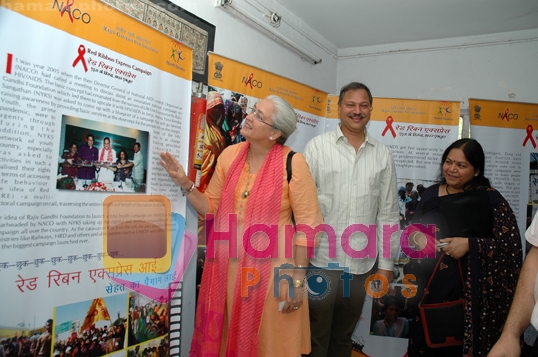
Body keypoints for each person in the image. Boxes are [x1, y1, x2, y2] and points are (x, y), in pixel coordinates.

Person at [160, 95, 323, 356]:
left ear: (275, 134)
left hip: (273, 276)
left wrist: (297, 281)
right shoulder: (230, 155)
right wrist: (186, 184)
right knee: (228, 340)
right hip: (227, 271)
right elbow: (211, 206)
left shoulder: (294, 163)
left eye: (260, 116)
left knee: (270, 343)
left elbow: (308, 227)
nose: (249, 116)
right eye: (253, 110)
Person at [303, 82, 399, 357]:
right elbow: (303, 206)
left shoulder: (382, 154)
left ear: (370, 109)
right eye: (351, 105)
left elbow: (389, 213)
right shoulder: (317, 148)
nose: (357, 111)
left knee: (345, 335)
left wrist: (386, 266)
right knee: (315, 334)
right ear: (339, 108)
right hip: (321, 259)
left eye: (363, 105)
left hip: (361, 264)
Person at [407, 138, 522, 356]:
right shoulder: (431, 194)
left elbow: (511, 249)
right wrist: (416, 239)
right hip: (428, 291)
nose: (452, 169)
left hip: (471, 303)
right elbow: (410, 235)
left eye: (461, 165)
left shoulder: (491, 200)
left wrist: (470, 245)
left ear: (477, 170)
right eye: (448, 162)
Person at [488, 212, 538, 357]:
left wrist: (469, 245)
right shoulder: (430, 199)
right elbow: (536, 257)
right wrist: (511, 333)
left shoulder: (493, 202)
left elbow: (506, 245)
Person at [199, 91, 227, 192]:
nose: (217, 111)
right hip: (199, 178)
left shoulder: (219, 131)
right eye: (214, 106)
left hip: (213, 180)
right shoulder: (200, 126)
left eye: (220, 108)